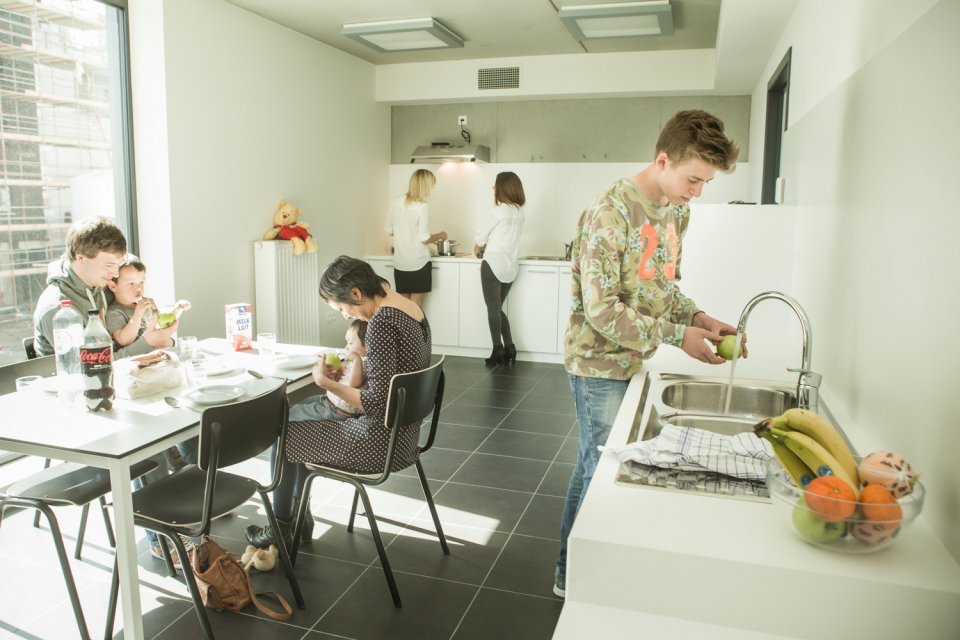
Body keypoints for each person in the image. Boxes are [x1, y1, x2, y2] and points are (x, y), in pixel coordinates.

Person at [554, 110, 743, 599]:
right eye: (693, 179)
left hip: (635, 358)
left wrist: (700, 319)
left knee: (607, 466)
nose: (698, 192)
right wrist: (679, 336)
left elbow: (660, 288)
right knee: (595, 466)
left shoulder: (676, 211)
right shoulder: (611, 212)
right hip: (596, 362)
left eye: (706, 182)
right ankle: (570, 575)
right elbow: (600, 310)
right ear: (663, 160)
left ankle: (589, 567)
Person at [245, 256, 432, 548]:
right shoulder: (412, 311)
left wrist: (327, 383)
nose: (346, 315)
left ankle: (281, 527)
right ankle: (296, 520)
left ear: (356, 293)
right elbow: (392, 381)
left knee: (283, 433)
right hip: (405, 437)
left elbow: (375, 403)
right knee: (306, 427)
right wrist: (348, 376)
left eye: (342, 308)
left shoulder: (382, 323)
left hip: (378, 444)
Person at [33, 217, 178, 357]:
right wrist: (147, 343)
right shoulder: (57, 310)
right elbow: (89, 368)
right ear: (80, 258)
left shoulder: (104, 283)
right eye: (109, 265)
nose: (115, 273)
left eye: (118, 264)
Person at [473, 171, 526, 366]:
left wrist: (478, 247)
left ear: (503, 188)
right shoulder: (519, 212)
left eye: (495, 185)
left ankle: (498, 349)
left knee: (492, 309)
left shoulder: (498, 210)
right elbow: (505, 238)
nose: (493, 188)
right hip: (510, 266)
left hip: (493, 264)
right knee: (497, 308)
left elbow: (480, 237)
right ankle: (510, 346)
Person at [384, 169, 447, 307]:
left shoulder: (395, 202)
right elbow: (424, 238)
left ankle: (405, 330)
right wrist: (440, 235)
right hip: (419, 263)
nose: (431, 189)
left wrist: (404, 233)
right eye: (431, 185)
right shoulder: (422, 206)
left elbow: (388, 229)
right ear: (425, 186)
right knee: (416, 308)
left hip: (400, 263)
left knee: (403, 308)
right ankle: (416, 330)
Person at [287, 319, 368, 421]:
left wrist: (356, 359)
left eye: (351, 343)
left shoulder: (364, 362)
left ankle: (284, 421)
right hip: (331, 402)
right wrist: (339, 368)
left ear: (367, 346)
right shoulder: (362, 362)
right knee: (304, 402)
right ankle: (286, 414)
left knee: (297, 411)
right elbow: (349, 372)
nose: (346, 347)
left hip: (337, 410)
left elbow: (355, 384)